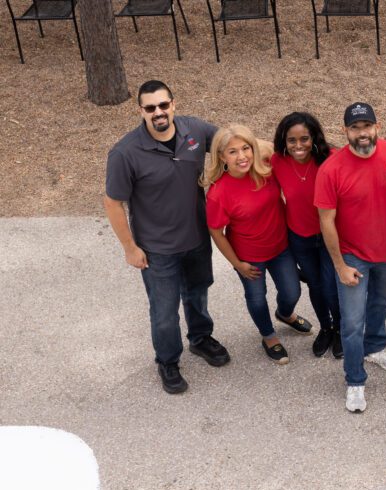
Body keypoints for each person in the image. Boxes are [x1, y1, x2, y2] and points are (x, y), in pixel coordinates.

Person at [104, 80, 230, 394]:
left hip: (197, 239)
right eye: (150, 108)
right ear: (141, 111)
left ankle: (200, 339)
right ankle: (168, 360)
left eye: (163, 105)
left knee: (198, 293)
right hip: (157, 250)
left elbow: (233, 142)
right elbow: (113, 202)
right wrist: (129, 247)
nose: (158, 112)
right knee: (164, 311)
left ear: (173, 104)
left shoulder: (195, 130)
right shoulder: (125, 152)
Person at [315, 102, 386, 413]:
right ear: (345, 131)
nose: (362, 133)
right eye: (355, 128)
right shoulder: (331, 170)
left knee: (382, 304)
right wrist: (340, 265)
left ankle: (375, 347)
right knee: (352, 323)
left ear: (377, 127)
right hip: (353, 257)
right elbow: (326, 221)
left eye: (367, 126)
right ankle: (355, 381)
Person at [203, 125, 313, 365]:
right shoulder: (218, 193)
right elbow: (216, 231)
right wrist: (237, 264)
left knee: (292, 291)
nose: (241, 156)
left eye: (245, 148)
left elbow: (279, 147)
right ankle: (269, 336)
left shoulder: (265, 168)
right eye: (232, 152)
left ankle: (285, 314)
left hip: (281, 248)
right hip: (249, 257)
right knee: (256, 298)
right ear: (222, 157)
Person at [271, 112, 343, 360]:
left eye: (304, 139)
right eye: (292, 140)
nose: (298, 145)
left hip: (328, 236)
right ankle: (326, 327)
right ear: (284, 141)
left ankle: (341, 329)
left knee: (331, 286)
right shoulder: (277, 161)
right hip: (299, 237)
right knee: (316, 286)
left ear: (314, 138)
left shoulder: (331, 159)